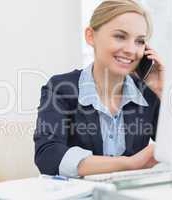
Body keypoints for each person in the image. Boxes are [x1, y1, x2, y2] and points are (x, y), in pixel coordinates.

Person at [34, 0, 164, 177]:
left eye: (140, 41)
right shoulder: (61, 89)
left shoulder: (148, 94)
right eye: (120, 36)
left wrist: (162, 91)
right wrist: (129, 164)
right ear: (90, 36)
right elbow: (48, 156)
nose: (131, 50)